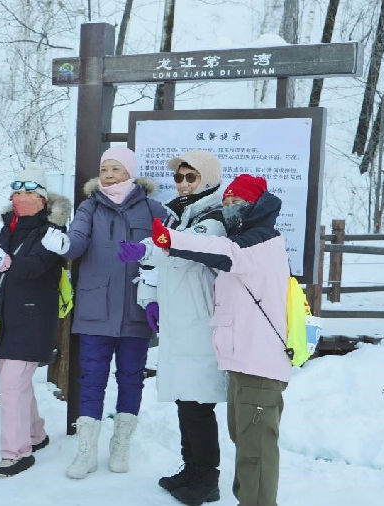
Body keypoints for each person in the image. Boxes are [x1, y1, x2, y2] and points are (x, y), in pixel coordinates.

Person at [151, 174, 291, 506]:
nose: (230, 209)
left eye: (237, 203)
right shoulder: (248, 238)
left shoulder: (261, 240)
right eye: (226, 203)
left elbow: (222, 250)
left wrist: (171, 239)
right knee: (246, 442)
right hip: (244, 365)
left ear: (257, 205)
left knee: (255, 450)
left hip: (260, 366)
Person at [40, 146, 166, 479]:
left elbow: (167, 253)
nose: (108, 174)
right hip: (95, 308)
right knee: (91, 380)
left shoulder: (154, 209)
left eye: (115, 168)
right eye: (104, 168)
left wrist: (155, 288)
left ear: (130, 172)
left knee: (131, 379)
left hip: (136, 309)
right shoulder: (89, 207)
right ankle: (86, 452)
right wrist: (64, 244)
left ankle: (121, 446)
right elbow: (78, 241)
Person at [118, 150, 227, 505]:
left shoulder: (212, 220)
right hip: (180, 324)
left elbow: (179, 248)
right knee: (185, 401)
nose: (182, 184)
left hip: (201, 325)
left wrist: (146, 248)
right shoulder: (182, 216)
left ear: (207, 180)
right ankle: (191, 469)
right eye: (179, 178)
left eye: (190, 178)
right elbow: (166, 255)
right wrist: (150, 296)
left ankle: (206, 478)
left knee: (198, 405)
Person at [0, 163, 71, 477]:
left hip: (33, 318)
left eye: (29, 192)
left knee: (11, 387)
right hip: (4, 317)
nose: (22, 198)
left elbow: (37, 268)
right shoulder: (9, 227)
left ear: (43, 199)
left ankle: (16, 453)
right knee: (15, 382)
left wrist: (8, 262)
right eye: (18, 192)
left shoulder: (54, 231)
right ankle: (35, 434)